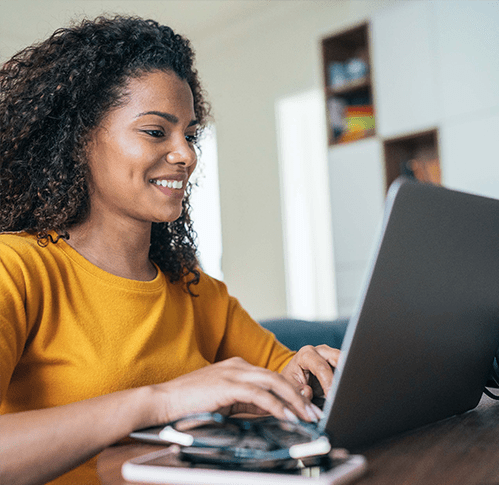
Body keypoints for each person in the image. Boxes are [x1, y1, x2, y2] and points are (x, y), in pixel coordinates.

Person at [0, 15, 340, 485]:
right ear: (79, 139)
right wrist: (159, 400)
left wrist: (305, 373)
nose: (187, 155)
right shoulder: (15, 269)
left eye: (191, 134)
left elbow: (280, 376)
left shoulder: (194, 289)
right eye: (156, 132)